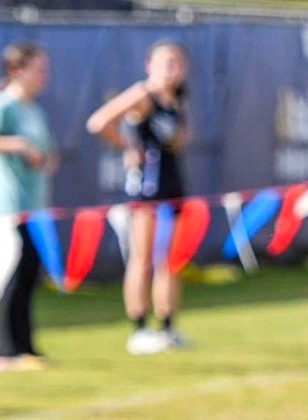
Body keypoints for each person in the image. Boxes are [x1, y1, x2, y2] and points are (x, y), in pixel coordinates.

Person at [86, 40, 192, 356]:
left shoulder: (176, 101)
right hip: (146, 190)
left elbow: (179, 140)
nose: (171, 68)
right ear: (150, 65)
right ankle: (139, 328)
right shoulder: (142, 95)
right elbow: (99, 122)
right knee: (142, 258)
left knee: (170, 260)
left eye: (176, 62)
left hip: (172, 188)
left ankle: (168, 327)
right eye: (165, 61)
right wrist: (128, 146)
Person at [0, 41, 56, 374]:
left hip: (35, 209)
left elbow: (47, 154)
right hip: (10, 209)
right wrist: (15, 144)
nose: (44, 76)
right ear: (16, 71)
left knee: (29, 275)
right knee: (11, 276)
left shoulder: (35, 110)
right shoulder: (2, 105)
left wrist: (43, 159)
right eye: (38, 69)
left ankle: (25, 347)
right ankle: (4, 352)